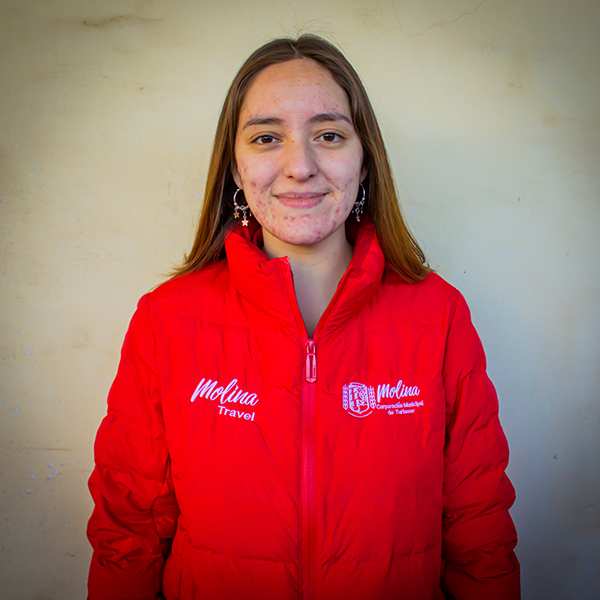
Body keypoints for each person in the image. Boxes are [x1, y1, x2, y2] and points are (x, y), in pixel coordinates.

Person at [87, 35, 520, 600]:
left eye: (329, 135)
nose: (300, 166)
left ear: (365, 160)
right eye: (267, 137)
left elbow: (479, 526)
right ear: (235, 168)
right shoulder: (166, 320)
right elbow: (128, 529)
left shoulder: (438, 315)